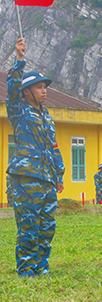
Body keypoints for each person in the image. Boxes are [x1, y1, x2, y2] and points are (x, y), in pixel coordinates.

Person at [6, 38, 65, 277]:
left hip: (47, 179)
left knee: (46, 226)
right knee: (29, 225)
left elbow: (54, 147)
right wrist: (19, 59)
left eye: (45, 86)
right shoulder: (18, 110)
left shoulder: (47, 116)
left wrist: (58, 175)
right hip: (26, 177)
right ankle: (26, 268)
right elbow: (11, 88)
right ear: (27, 91)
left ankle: (42, 265)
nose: (44, 91)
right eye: (39, 87)